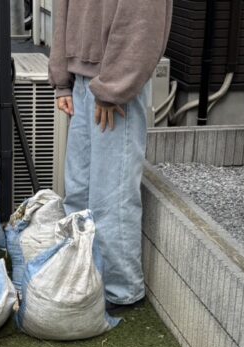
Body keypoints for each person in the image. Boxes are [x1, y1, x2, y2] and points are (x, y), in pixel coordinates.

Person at [49, 0, 172, 310]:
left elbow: (140, 19)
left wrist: (113, 87)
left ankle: (121, 292)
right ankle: (84, 277)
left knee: (112, 195)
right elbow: (62, 9)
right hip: (82, 80)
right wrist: (62, 81)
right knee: (79, 190)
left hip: (116, 85)